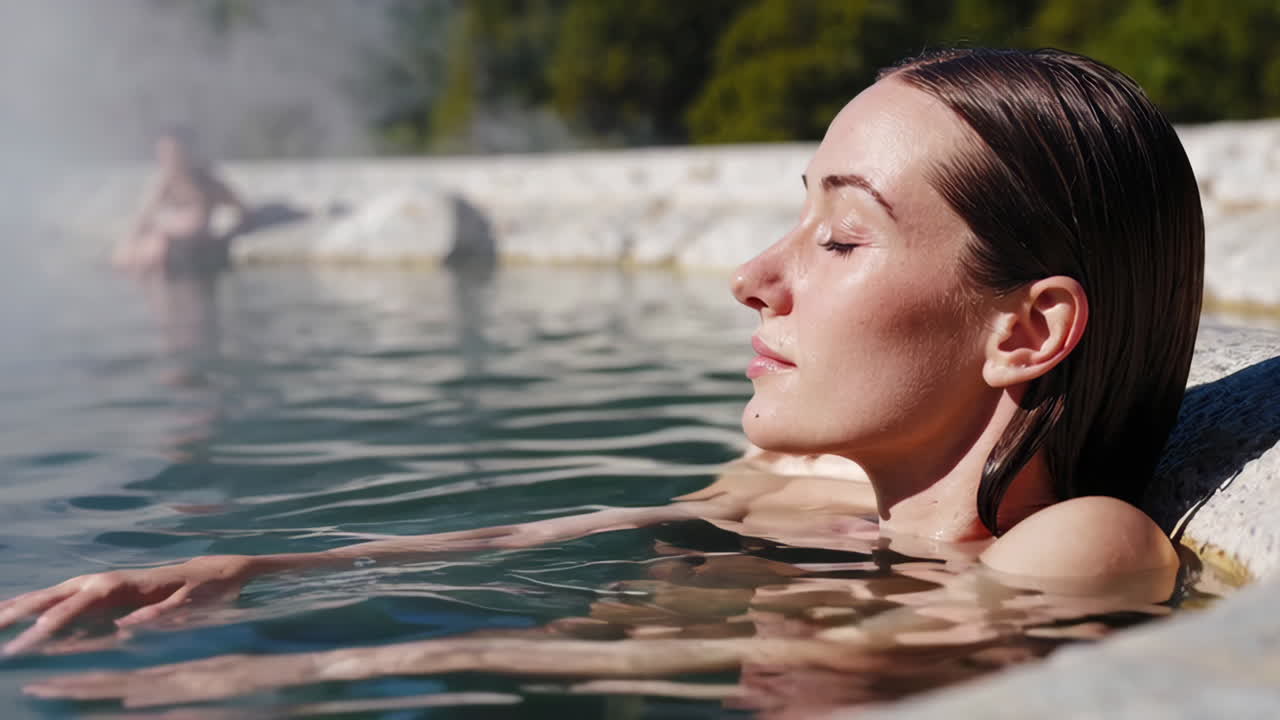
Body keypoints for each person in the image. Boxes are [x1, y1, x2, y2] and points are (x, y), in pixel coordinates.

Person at [2, 46, 1203, 693]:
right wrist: (259, 569)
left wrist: (336, 660)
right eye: (797, 219)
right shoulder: (803, 487)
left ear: (1027, 333)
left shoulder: (1078, 544)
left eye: (840, 238)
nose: (750, 275)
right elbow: (570, 534)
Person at [113, 130, 246, 273]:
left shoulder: (206, 181)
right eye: (163, 154)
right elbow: (143, 217)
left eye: (173, 153)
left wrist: (227, 234)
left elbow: (240, 208)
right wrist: (129, 243)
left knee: (158, 247)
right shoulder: (165, 181)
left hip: (196, 246)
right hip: (170, 246)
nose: (168, 159)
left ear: (187, 153)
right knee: (147, 249)